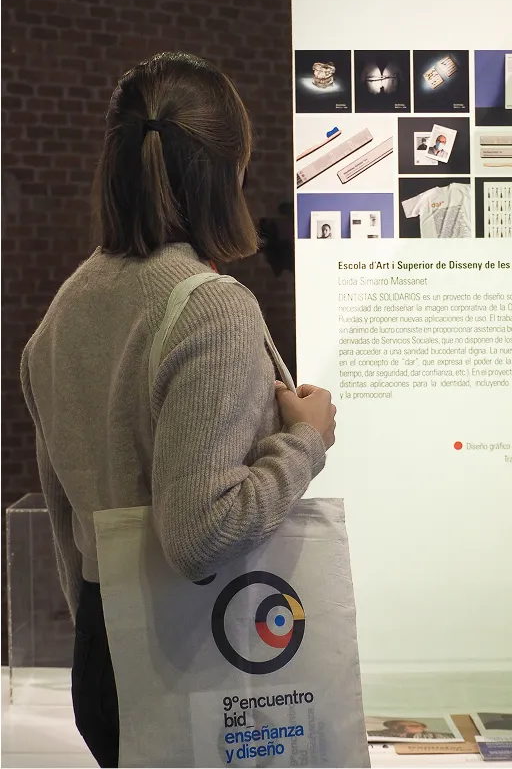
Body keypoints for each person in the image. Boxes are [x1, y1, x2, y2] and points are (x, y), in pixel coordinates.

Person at [20, 52, 336, 769]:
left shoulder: (66, 309)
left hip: (108, 654)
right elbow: (201, 534)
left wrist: (102, 643)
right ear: (227, 170)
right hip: (202, 657)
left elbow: (68, 524)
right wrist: (304, 442)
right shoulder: (210, 306)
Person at [374, 719, 447, 739]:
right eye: (400, 728)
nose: (407, 728)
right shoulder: (382, 734)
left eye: (413, 726)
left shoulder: (436, 736)